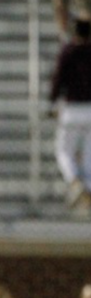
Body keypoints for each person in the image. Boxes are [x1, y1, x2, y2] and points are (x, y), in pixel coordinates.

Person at [49, 16, 91, 215]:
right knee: (89, 158)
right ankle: (88, 188)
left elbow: (58, 79)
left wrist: (51, 102)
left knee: (64, 152)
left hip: (73, 109)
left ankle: (74, 180)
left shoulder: (68, 51)